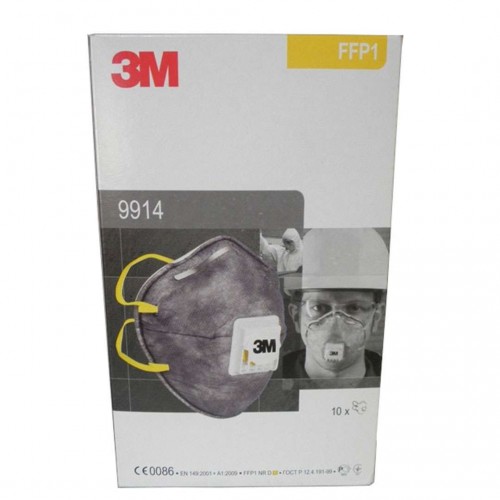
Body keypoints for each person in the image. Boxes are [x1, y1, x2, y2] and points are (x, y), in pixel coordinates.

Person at [282, 228, 388, 383]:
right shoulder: (267, 384)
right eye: (318, 307)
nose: (334, 327)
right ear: (296, 316)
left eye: (354, 308)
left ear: (376, 318)